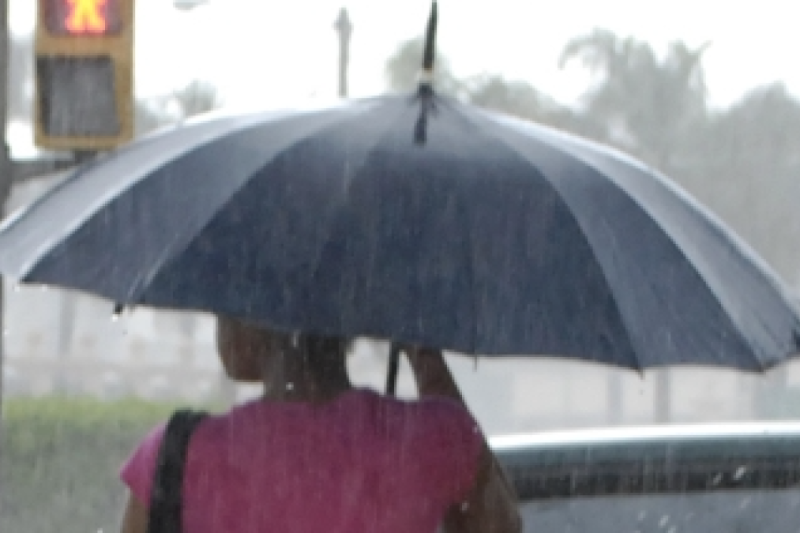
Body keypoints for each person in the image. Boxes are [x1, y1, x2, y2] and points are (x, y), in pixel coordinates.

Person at [119, 316, 521, 533]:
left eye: (226, 304)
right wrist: (418, 338)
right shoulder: (432, 439)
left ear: (251, 322)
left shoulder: (176, 458)